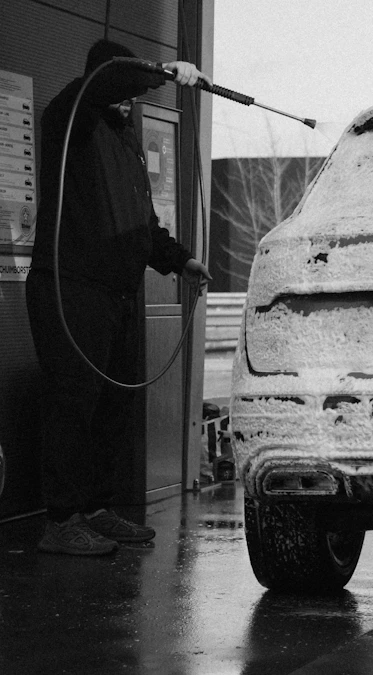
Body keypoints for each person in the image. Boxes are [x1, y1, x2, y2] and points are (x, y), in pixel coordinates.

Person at [26, 39, 212, 555]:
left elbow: (142, 225)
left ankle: (96, 508)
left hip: (115, 293)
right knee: (73, 404)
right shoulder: (71, 120)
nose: (131, 103)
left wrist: (180, 260)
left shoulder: (125, 139)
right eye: (127, 91)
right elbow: (104, 83)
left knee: (111, 406)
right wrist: (160, 71)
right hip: (71, 288)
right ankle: (61, 520)